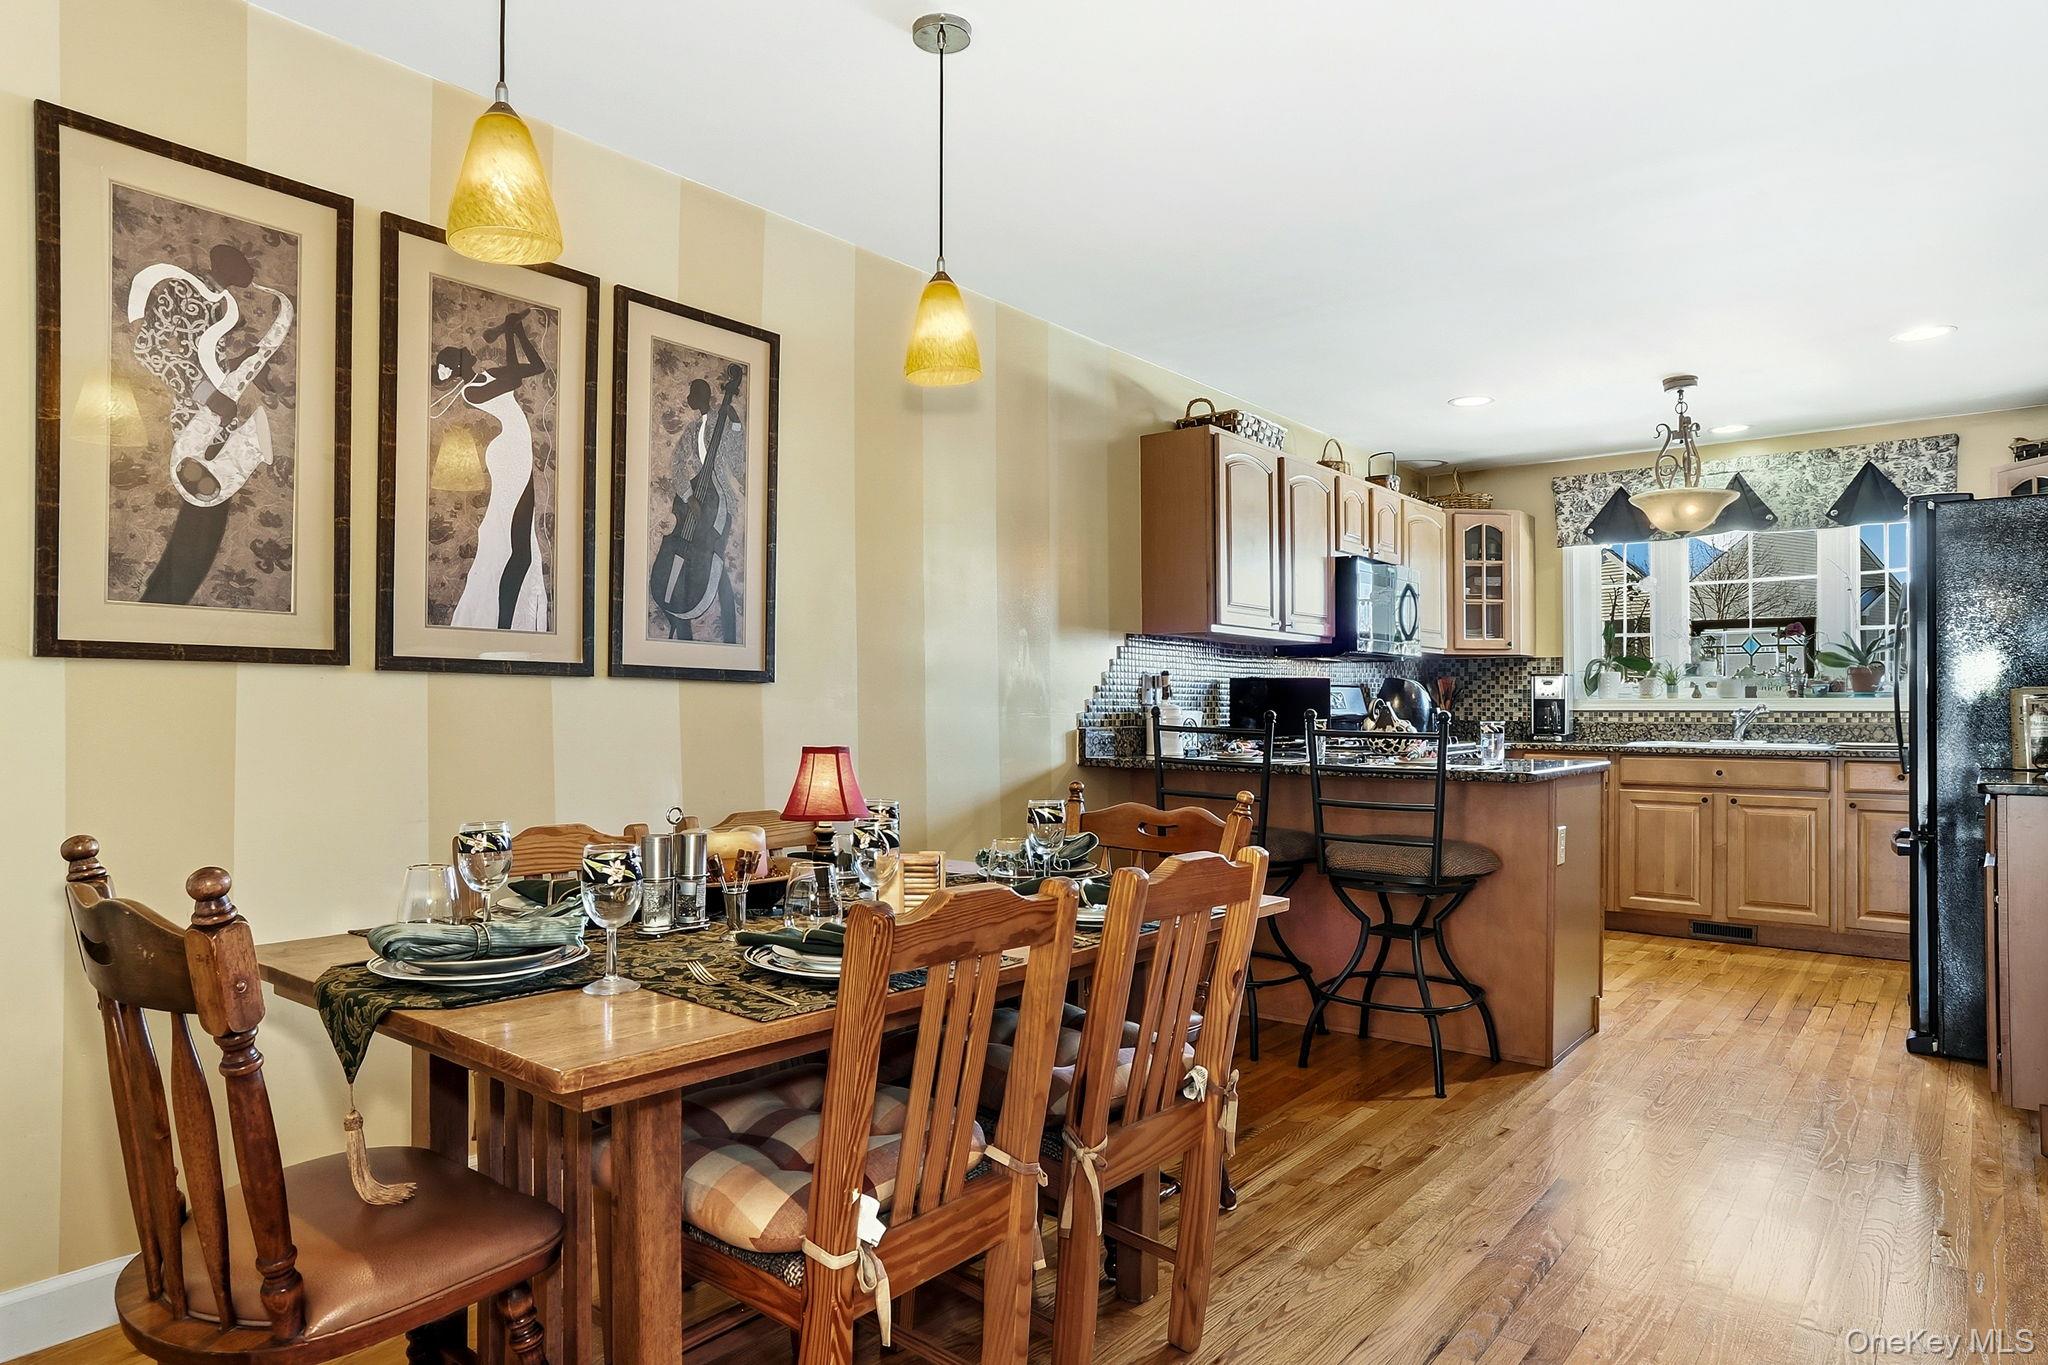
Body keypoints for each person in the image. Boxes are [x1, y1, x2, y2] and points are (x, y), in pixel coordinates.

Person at [433, 310, 549, 632]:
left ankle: (507, 623)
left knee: (521, 547)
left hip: (518, 452)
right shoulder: (473, 391)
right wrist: (510, 331)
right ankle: (502, 622)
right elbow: (514, 377)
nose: (468, 353)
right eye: (460, 355)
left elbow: (534, 368)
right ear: (458, 367)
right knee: (516, 546)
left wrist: (517, 332)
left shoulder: (486, 376)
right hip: (508, 455)